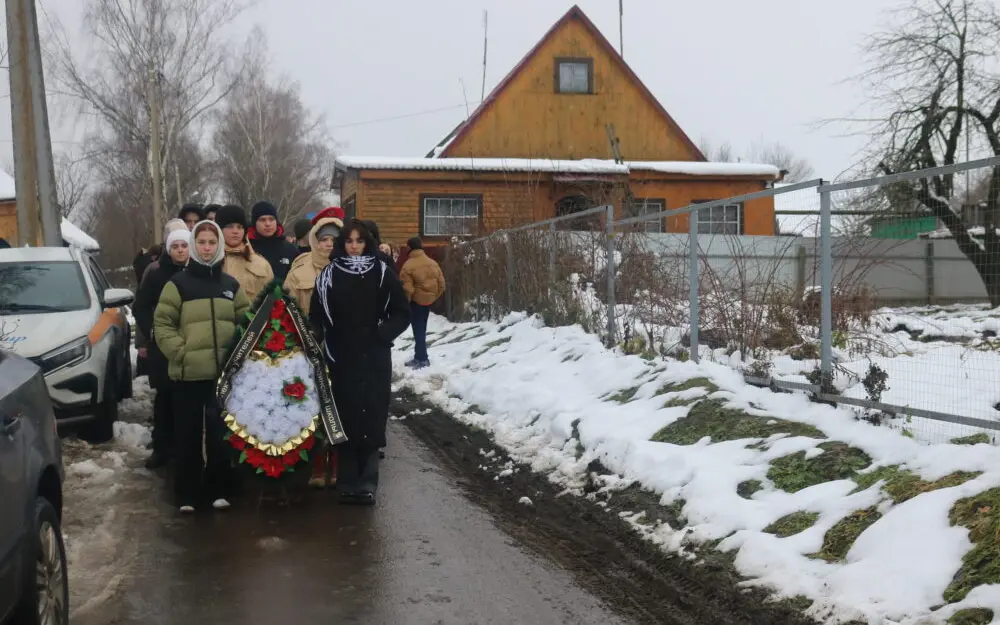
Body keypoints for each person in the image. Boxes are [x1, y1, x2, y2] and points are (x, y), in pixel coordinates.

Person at [310, 220, 410, 505]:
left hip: (374, 354)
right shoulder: (328, 276)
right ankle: (347, 480)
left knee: (371, 413)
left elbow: (401, 311)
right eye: (349, 241)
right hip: (340, 354)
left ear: (367, 243)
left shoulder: (382, 273)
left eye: (360, 241)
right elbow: (317, 315)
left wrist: (383, 334)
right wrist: (313, 337)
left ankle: (367, 481)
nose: (354, 246)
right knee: (345, 413)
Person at [154, 220, 249, 513]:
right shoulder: (178, 285)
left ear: (218, 245)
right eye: (201, 242)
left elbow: (245, 322)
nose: (206, 248)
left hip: (221, 375)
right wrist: (180, 352)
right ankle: (187, 494)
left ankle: (218, 489)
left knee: (220, 434)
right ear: (194, 247)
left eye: (211, 242)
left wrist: (236, 355)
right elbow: (163, 324)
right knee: (187, 435)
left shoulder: (230, 286)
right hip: (187, 375)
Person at [284, 213, 343, 489]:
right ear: (314, 241)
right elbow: (287, 308)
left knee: (342, 408)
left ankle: (338, 464)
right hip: (309, 348)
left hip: (344, 351)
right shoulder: (299, 271)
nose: (329, 244)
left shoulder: (351, 267)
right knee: (314, 410)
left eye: (334, 239)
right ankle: (317, 466)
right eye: (324, 239)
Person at [133, 227, 190, 469]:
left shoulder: (198, 272)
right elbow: (140, 306)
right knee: (165, 398)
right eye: (175, 246)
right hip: (164, 346)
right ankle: (161, 447)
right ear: (168, 249)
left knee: (186, 399)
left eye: (184, 246)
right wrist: (153, 331)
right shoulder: (156, 274)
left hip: (191, 342)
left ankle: (184, 447)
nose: (180, 250)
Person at [400, 237, 446, 369]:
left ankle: (422, 358)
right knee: (422, 329)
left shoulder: (408, 266)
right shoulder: (432, 263)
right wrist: (431, 298)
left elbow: (408, 289)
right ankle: (419, 356)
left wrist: (406, 303)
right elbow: (442, 285)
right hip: (427, 303)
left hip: (415, 303)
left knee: (418, 331)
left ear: (409, 248)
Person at [214, 204, 273, 302]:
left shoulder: (261, 264)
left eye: (240, 227)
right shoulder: (208, 260)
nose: (235, 231)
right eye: (229, 226)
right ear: (219, 229)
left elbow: (272, 300)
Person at [248, 201, 299, 281]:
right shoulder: (247, 249)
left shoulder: (290, 250)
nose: (268, 224)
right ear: (254, 223)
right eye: (262, 220)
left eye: (271, 219)